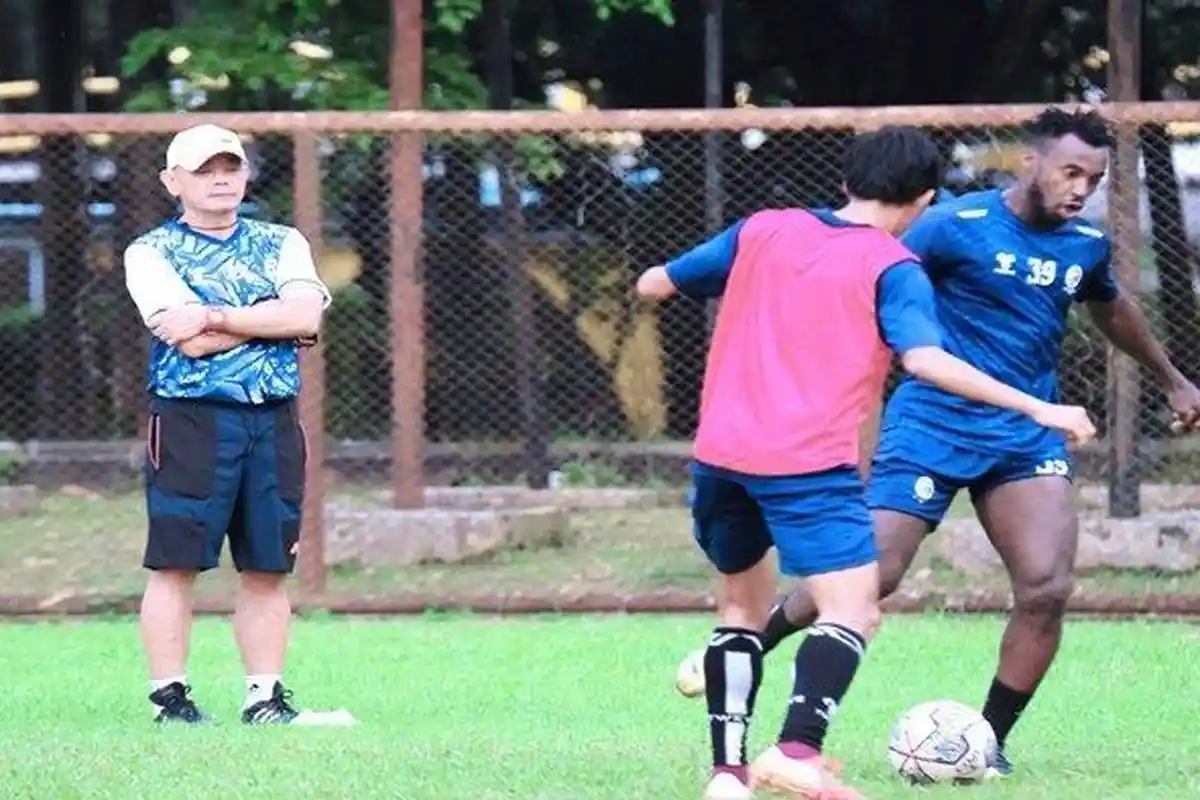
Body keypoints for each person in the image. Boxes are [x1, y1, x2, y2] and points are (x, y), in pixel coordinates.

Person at [673, 107, 1200, 777]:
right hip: (930, 425)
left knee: (1046, 587)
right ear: (1029, 163)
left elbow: (1110, 304)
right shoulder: (951, 226)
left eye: (1092, 180)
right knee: (876, 575)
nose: (1079, 189)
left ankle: (988, 742)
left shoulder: (1083, 246)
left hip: (1021, 435)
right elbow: (862, 267)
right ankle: (752, 637)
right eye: (1070, 172)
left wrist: (1174, 380)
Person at [123, 124, 334, 725]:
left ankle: (264, 698)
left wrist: (213, 316)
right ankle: (171, 701)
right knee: (177, 561)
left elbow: (306, 316)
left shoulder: (282, 240)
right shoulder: (151, 251)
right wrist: (268, 319)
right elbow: (182, 340)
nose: (221, 180)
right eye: (204, 170)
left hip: (273, 418)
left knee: (268, 563)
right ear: (173, 182)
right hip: (191, 420)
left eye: (231, 167)